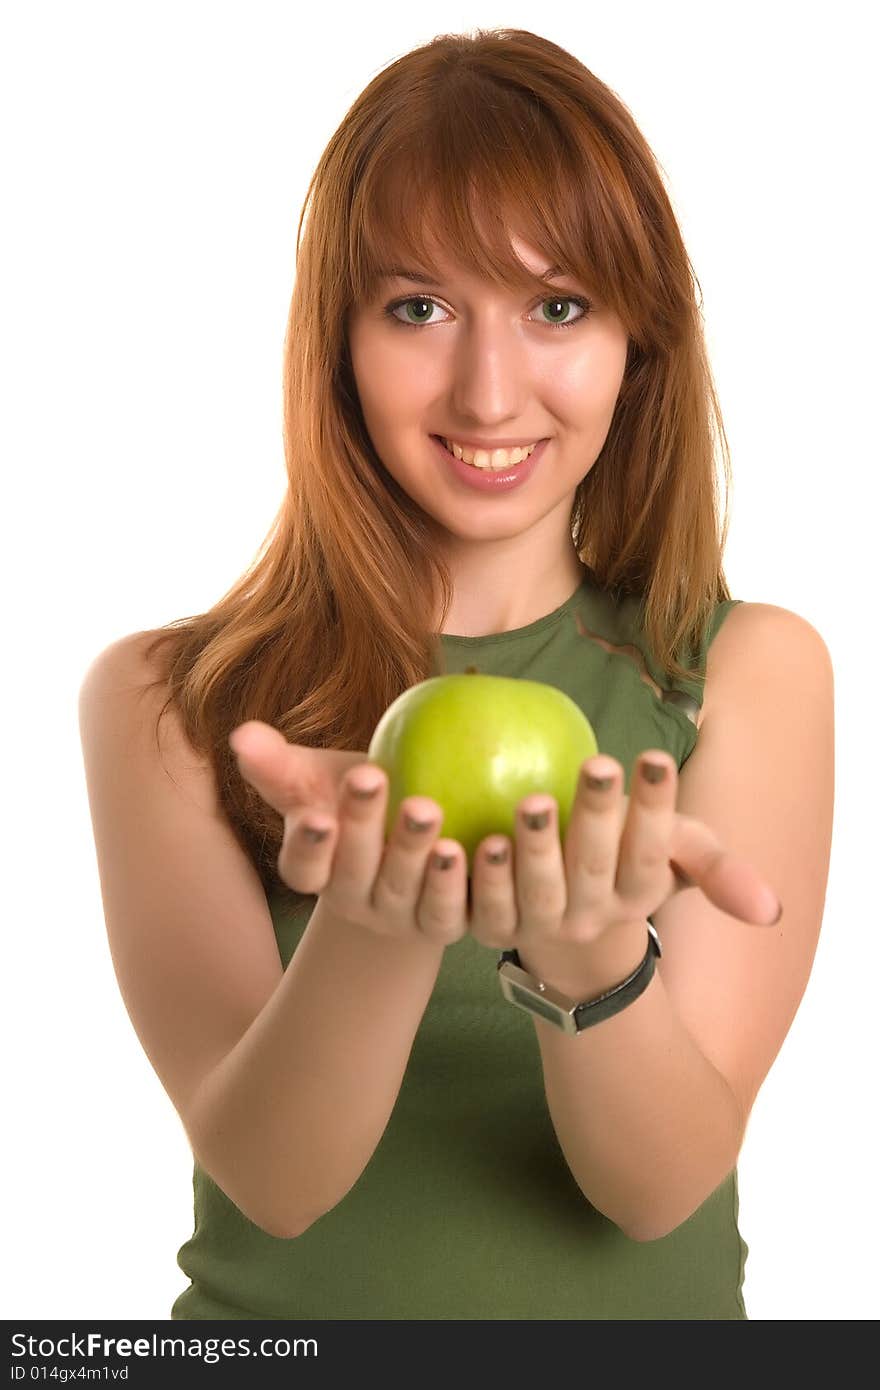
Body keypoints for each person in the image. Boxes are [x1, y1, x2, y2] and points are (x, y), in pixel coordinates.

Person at [77, 27, 834, 1320]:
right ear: (339, 341)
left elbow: (659, 1190)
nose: (491, 394)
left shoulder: (743, 671)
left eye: (558, 306)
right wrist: (380, 919)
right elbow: (272, 1176)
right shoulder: (167, 700)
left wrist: (591, 947)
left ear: (636, 341)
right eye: (419, 307)